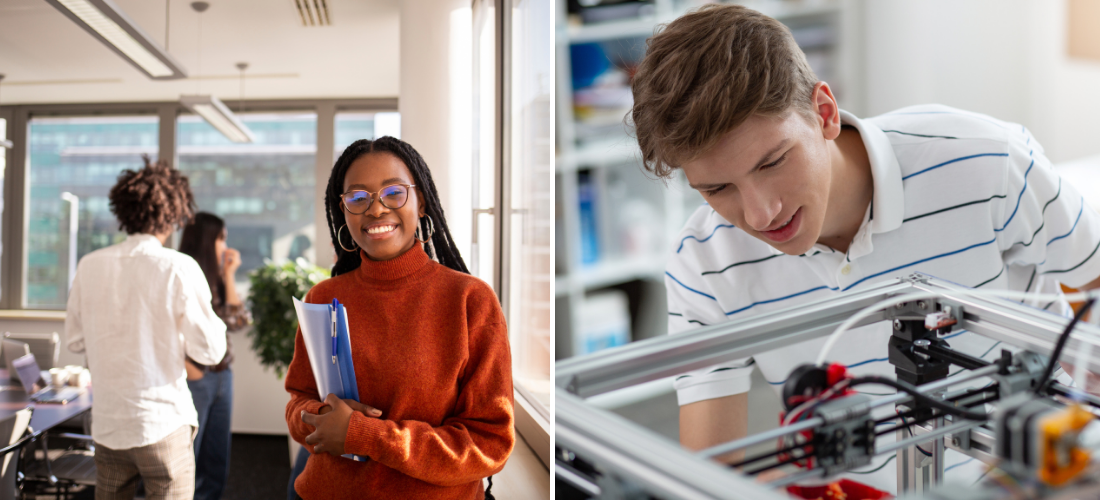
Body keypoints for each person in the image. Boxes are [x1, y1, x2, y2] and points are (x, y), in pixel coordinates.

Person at [628, 4, 1100, 492]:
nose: (760, 214)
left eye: (772, 162)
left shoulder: (989, 162)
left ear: (824, 112)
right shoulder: (701, 262)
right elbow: (709, 473)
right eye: (717, 189)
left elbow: (1095, 277)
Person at [284, 136, 514, 500]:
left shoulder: (470, 300)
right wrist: (320, 417)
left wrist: (363, 434)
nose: (376, 210)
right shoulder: (323, 298)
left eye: (393, 192)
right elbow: (299, 401)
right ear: (343, 210)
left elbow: (489, 443)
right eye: (358, 198)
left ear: (420, 201)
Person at [65, 157, 227, 499]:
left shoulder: (89, 265)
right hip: (162, 424)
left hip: (109, 426)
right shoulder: (179, 267)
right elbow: (211, 351)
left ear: (122, 211)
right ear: (174, 214)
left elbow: (75, 342)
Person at [179, 212, 252, 500]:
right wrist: (188, 368)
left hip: (223, 375)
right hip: (195, 377)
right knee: (187, 457)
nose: (225, 245)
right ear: (207, 239)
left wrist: (229, 276)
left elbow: (238, 322)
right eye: (221, 238)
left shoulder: (217, 276)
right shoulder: (182, 273)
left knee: (217, 456)